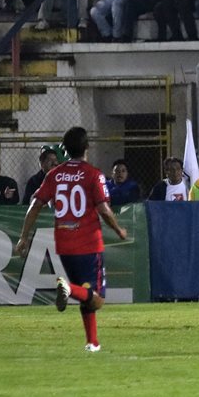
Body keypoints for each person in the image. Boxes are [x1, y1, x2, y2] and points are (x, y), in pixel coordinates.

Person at [15, 127, 128, 353]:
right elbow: (104, 210)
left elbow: (34, 205)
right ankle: (67, 288)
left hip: (65, 244)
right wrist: (118, 229)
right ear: (87, 147)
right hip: (88, 242)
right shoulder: (93, 174)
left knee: (84, 290)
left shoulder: (54, 175)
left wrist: (24, 237)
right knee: (97, 299)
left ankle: (92, 342)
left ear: (64, 150)